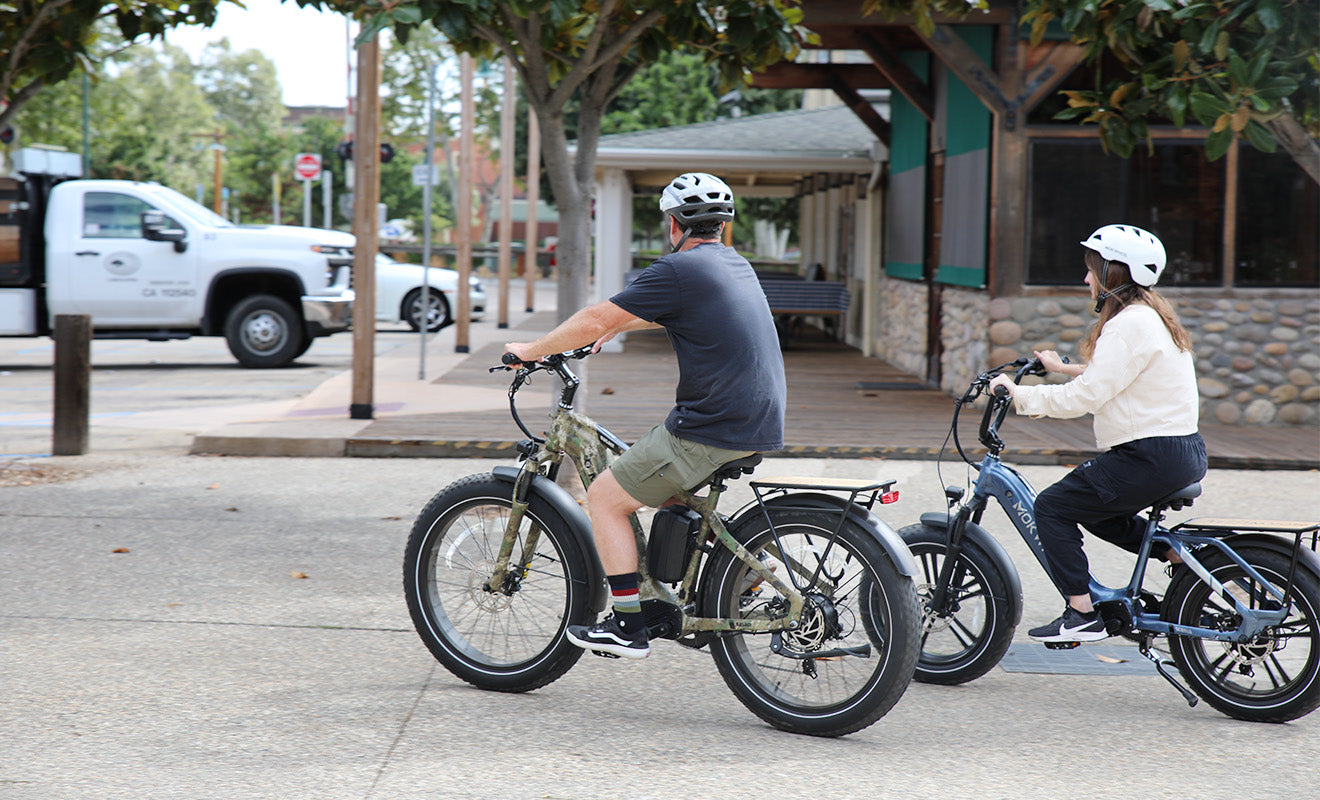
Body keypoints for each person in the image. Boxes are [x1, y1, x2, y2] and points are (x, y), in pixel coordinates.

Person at [503, 172, 787, 659]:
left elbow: (595, 316)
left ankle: (628, 626)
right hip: (759, 417)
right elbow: (661, 310)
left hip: (712, 424)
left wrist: (530, 351)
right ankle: (728, 578)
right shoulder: (731, 264)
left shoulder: (678, 269)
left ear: (674, 224)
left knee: (606, 498)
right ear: (721, 226)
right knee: (654, 474)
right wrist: (620, 325)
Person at [989, 224, 1206, 644]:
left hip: (1148, 455)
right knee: (1097, 511)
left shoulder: (1127, 325)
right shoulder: (1150, 315)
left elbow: (1085, 397)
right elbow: (1118, 373)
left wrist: (1019, 395)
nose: (1087, 278)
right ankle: (1179, 554)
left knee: (1052, 507)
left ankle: (1081, 612)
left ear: (1114, 273)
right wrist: (1063, 368)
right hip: (1178, 451)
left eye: (1093, 269)